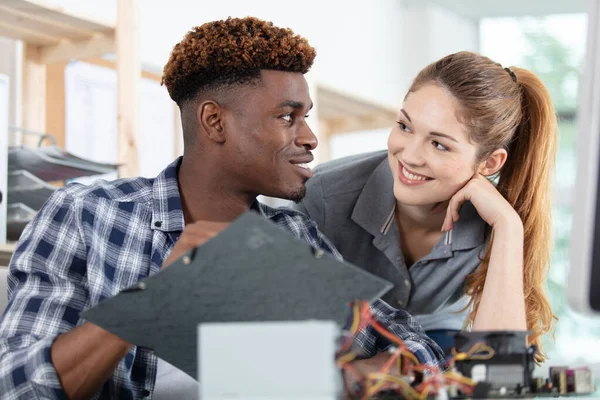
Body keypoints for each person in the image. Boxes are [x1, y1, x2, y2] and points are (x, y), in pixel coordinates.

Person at [0, 17, 444, 400]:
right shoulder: (86, 215)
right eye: (288, 117)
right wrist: (148, 303)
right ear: (215, 121)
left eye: (306, 117)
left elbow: (420, 355)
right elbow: (16, 386)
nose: (309, 138)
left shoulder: (294, 236)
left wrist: (348, 376)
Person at [295, 51, 557, 359]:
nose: (410, 155)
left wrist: (508, 227)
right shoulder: (322, 196)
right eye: (405, 126)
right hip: (344, 341)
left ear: (489, 163)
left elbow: (500, 362)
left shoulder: (495, 220)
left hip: (438, 341)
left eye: (439, 144)